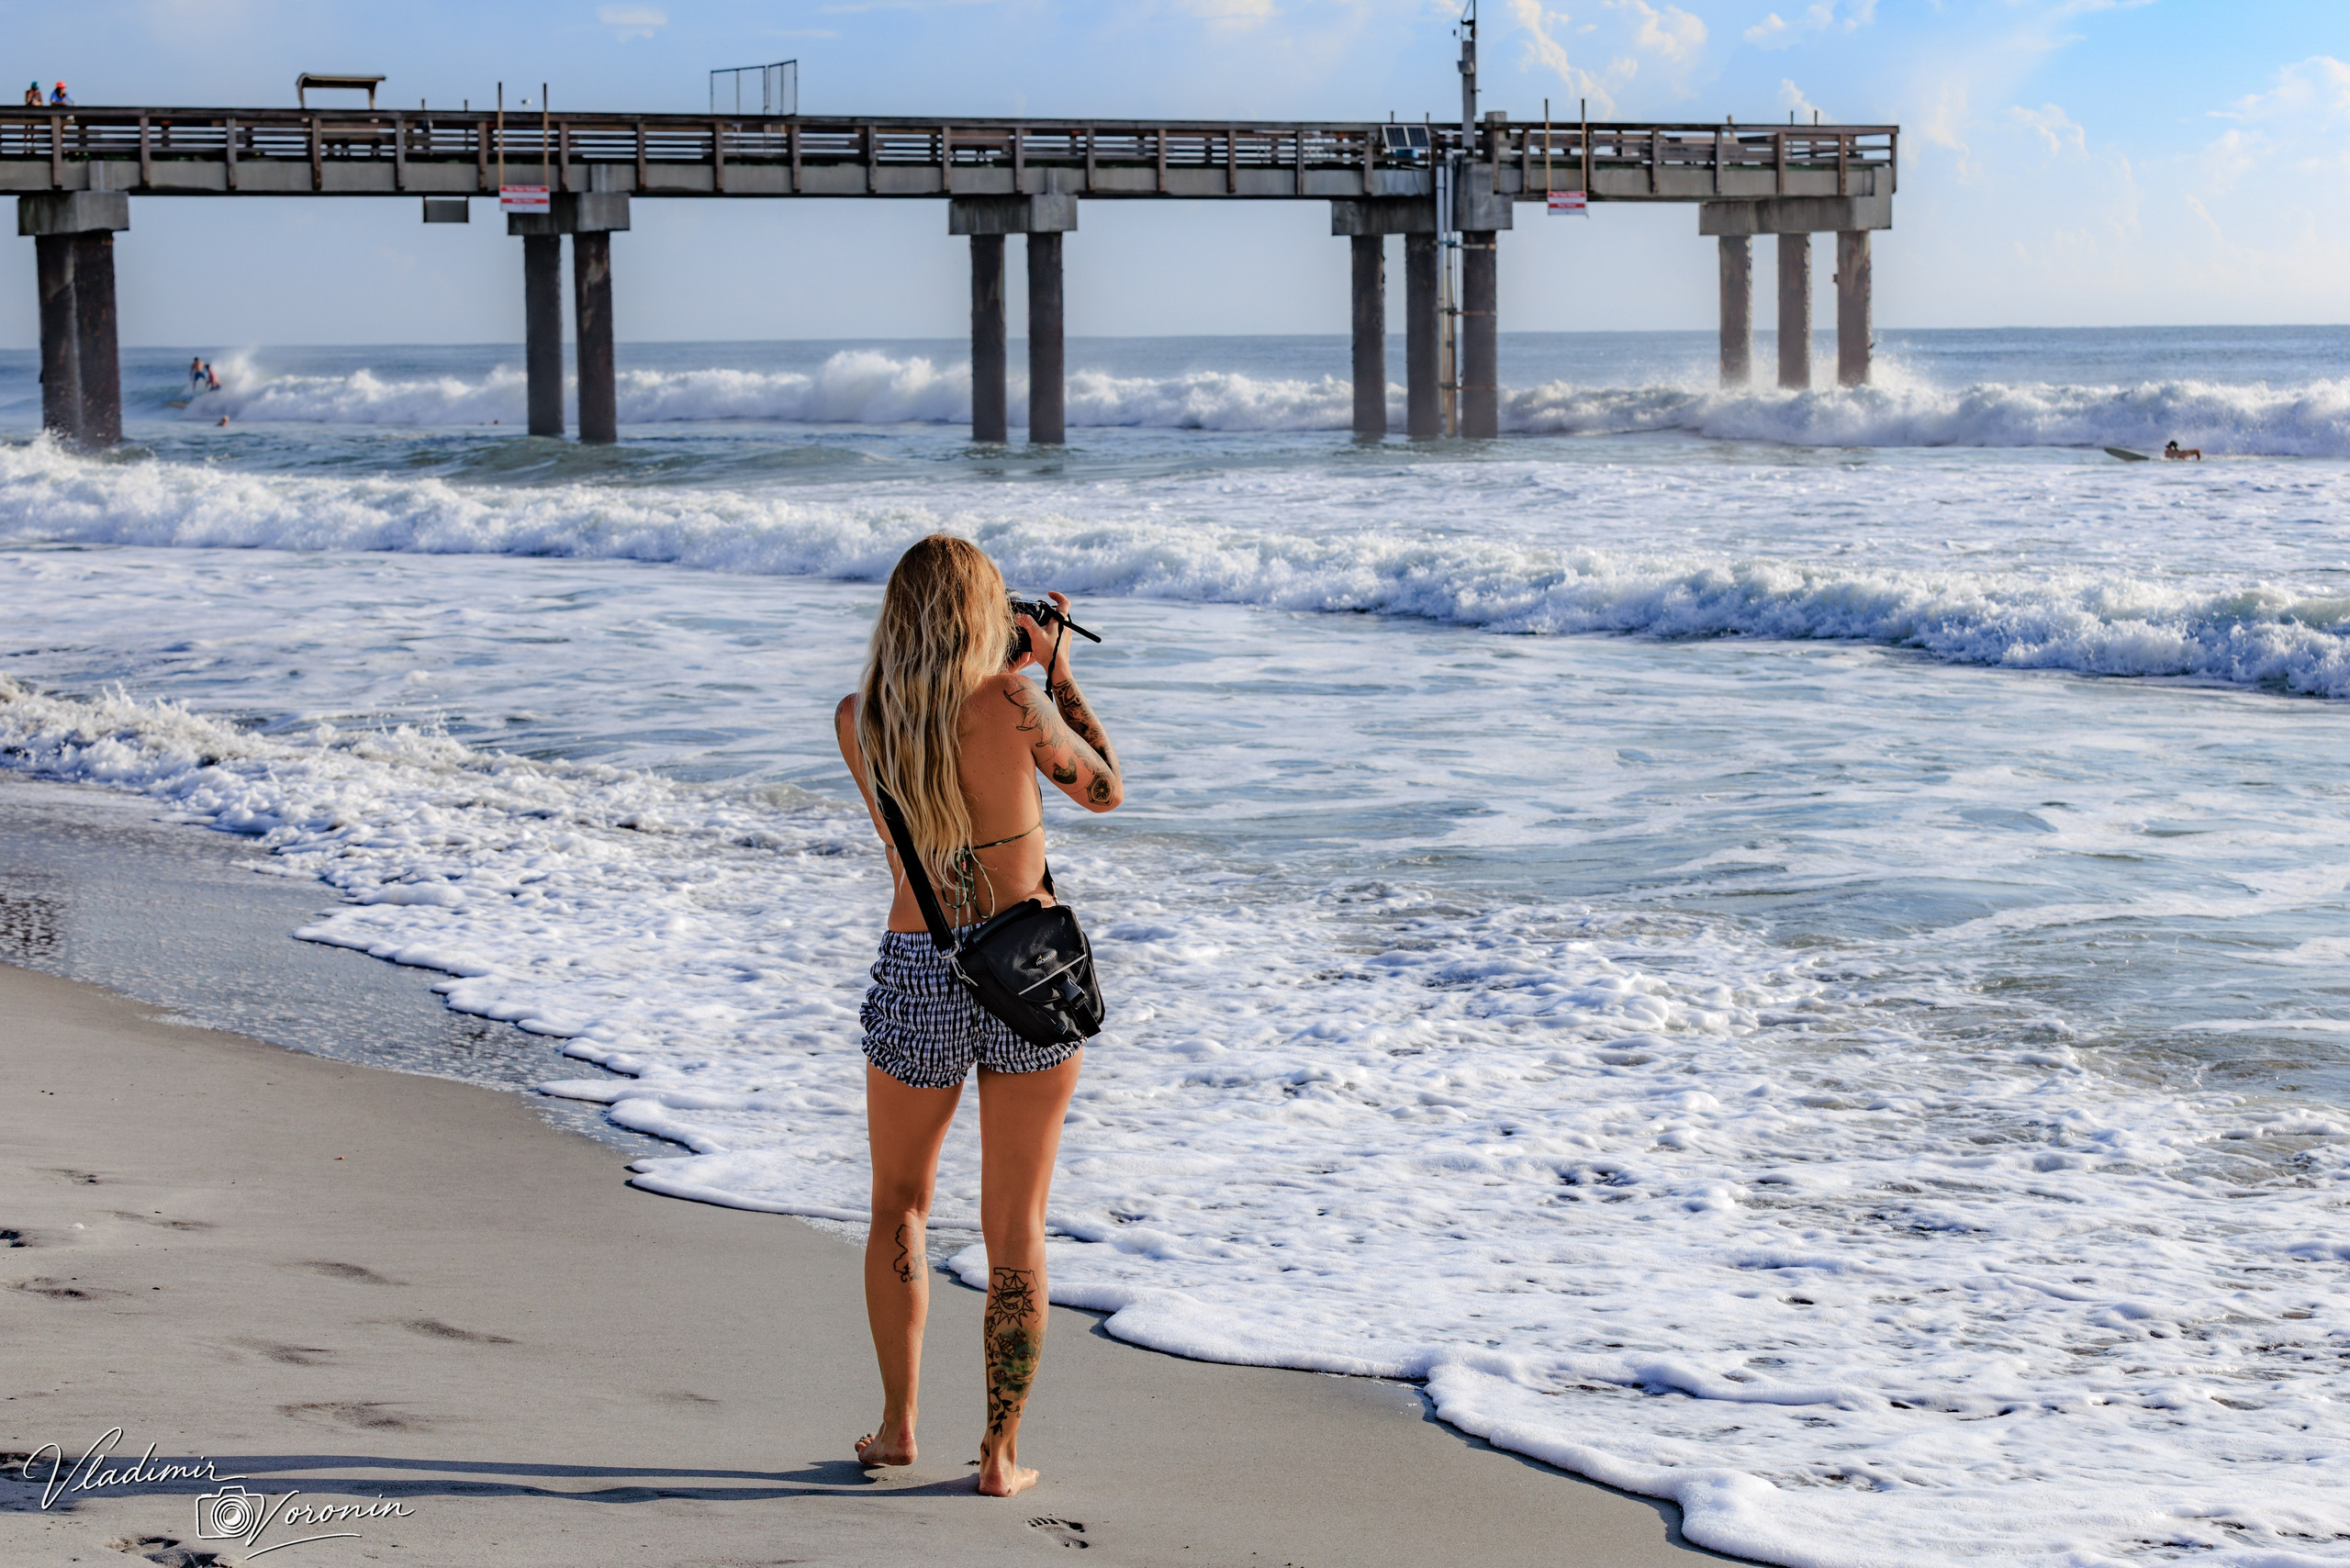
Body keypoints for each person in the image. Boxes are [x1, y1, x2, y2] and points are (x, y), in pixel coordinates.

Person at [832, 535, 1123, 1498]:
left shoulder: (860, 718)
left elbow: (904, 845)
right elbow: (1104, 790)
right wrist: (1057, 668)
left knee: (898, 1207)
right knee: (1015, 1224)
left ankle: (896, 1428)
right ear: (981, 612)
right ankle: (998, 1456)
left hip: (919, 966)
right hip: (1027, 966)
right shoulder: (1015, 700)